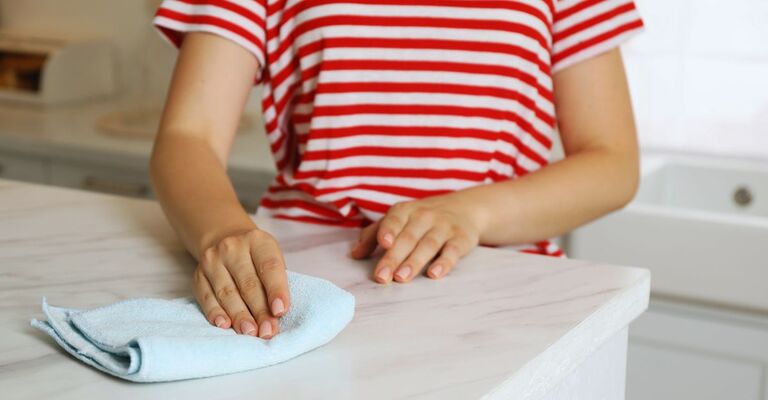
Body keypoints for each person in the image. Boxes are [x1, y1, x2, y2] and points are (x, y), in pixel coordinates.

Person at [150, 0, 644, 339]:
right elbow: (187, 137)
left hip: (506, 292)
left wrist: (472, 213)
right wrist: (224, 233)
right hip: (303, 284)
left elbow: (612, 160)